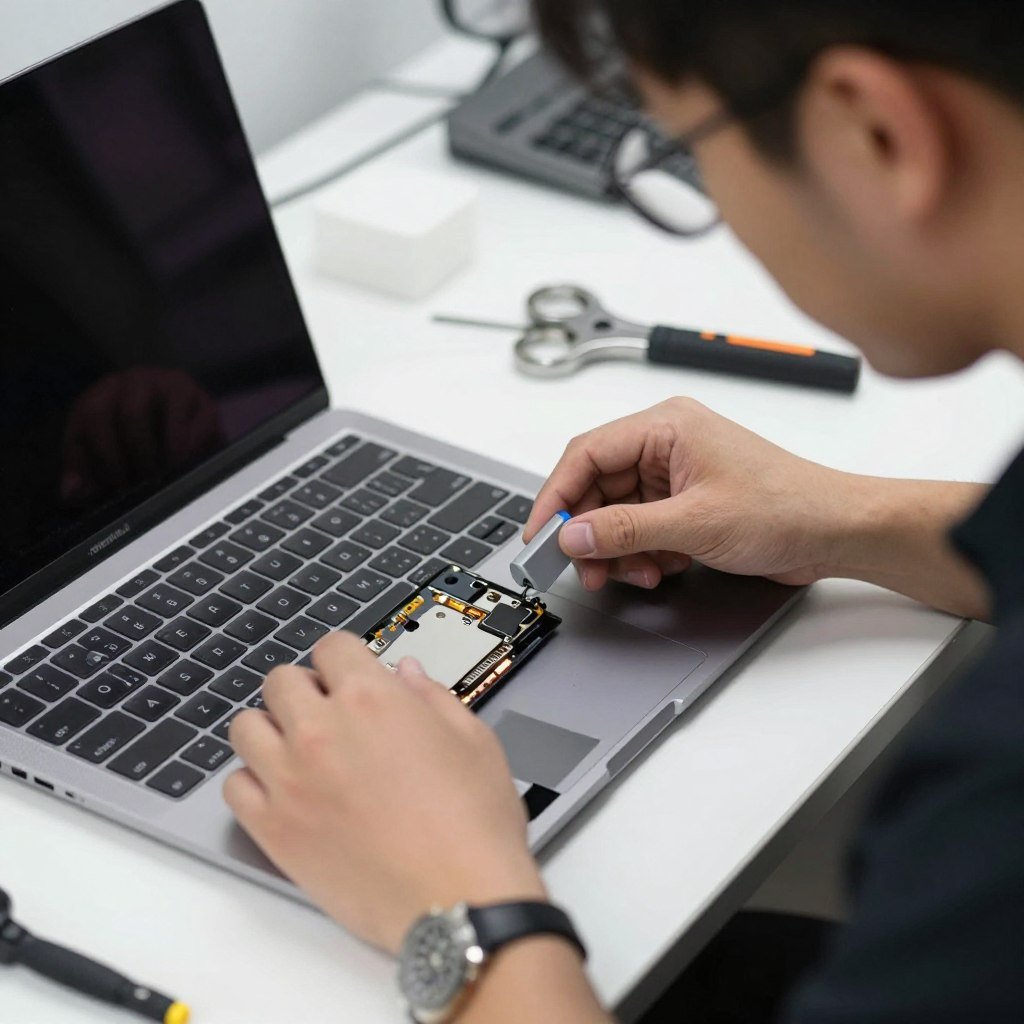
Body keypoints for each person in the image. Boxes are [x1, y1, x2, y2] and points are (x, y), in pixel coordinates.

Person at [221, 2, 1024, 1021]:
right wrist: (842, 520)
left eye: (684, 151)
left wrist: (457, 899)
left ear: (872, 131)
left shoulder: (993, 795)